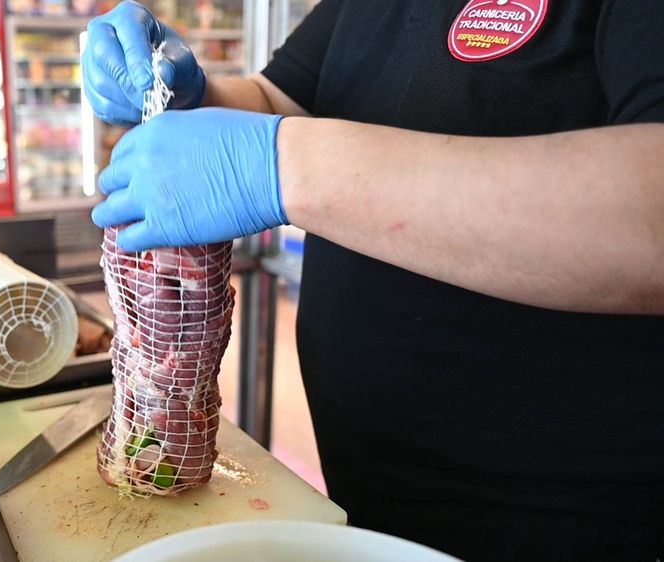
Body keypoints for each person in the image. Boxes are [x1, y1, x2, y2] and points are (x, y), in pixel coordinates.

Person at [82, 1, 664, 560]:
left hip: (573, 521)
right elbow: (280, 96)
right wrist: (195, 96)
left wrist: (282, 165)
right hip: (370, 495)